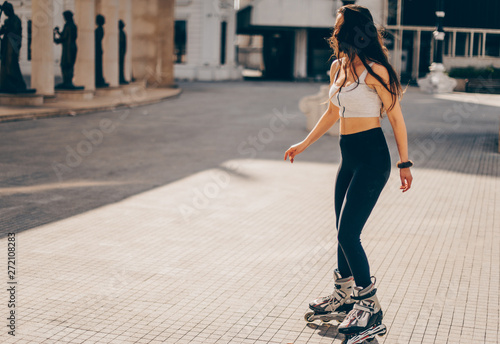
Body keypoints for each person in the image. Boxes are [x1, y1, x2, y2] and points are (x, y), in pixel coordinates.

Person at [284, 4, 413, 340]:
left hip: (373, 158)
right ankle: (342, 297)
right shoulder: (338, 68)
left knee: (347, 234)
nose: (334, 31)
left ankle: (368, 304)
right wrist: (304, 143)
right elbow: (331, 111)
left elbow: (396, 118)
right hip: (349, 157)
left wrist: (404, 163)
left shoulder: (376, 71)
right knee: (341, 228)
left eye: (339, 25)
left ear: (354, 30)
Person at [0, 1, 27, 93]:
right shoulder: (8, 20)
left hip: (12, 44)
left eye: (5, 11)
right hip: (6, 44)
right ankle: (5, 84)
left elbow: (14, 32)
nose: (5, 13)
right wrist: (3, 30)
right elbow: (3, 31)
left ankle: (16, 84)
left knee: (11, 64)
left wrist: (6, 29)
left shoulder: (15, 20)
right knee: (5, 64)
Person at [53, 10, 78, 89]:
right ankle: (67, 82)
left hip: (68, 49)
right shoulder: (72, 25)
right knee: (69, 66)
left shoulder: (68, 26)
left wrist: (54, 35)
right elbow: (65, 36)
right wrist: (57, 33)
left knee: (65, 65)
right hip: (71, 48)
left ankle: (67, 82)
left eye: (64, 17)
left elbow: (64, 38)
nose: (64, 18)